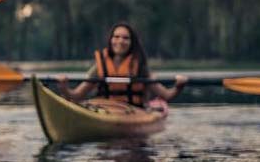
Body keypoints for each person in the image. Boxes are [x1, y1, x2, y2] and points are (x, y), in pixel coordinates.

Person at [56, 22, 187, 107]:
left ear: (132, 42)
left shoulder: (140, 67)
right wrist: (63, 87)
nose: (120, 41)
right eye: (116, 37)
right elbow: (77, 95)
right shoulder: (100, 66)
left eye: (125, 38)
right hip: (104, 110)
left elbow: (166, 95)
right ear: (110, 39)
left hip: (133, 112)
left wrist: (179, 85)